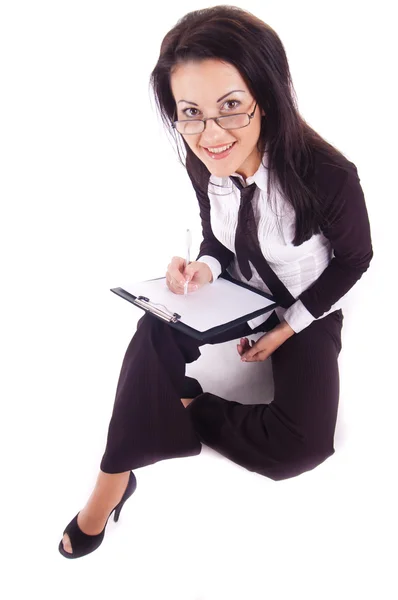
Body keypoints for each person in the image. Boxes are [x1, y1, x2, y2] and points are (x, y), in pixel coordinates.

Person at [59, 5, 373, 559]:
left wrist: (287, 329)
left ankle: (183, 407)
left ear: (267, 95)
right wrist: (201, 268)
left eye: (230, 106)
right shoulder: (201, 157)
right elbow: (219, 239)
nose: (211, 134)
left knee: (299, 448)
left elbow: (355, 260)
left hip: (308, 304)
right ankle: (112, 480)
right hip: (241, 289)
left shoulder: (329, 175)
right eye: (191, 113)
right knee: (155, 323)